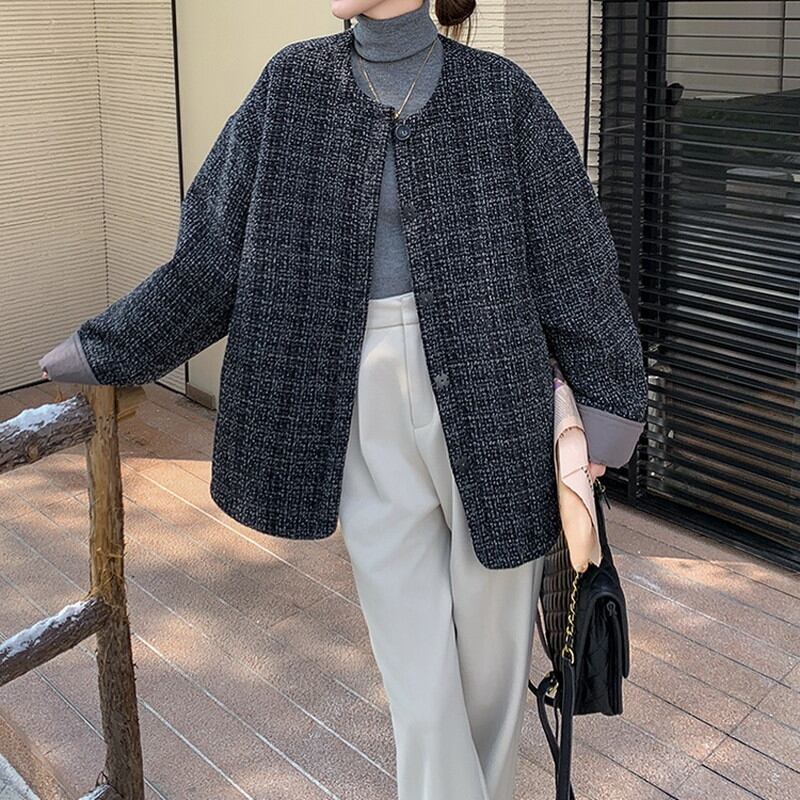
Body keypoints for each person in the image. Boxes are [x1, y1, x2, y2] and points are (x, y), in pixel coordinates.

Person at [39, 2, 648, 798]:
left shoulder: (502, 95)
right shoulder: (292, 85)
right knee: (419, 679)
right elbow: (213, 253)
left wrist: (607, 409)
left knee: (492, 676)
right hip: (359, 404)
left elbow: (575, 260)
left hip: (500, 404)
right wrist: (111, 345)